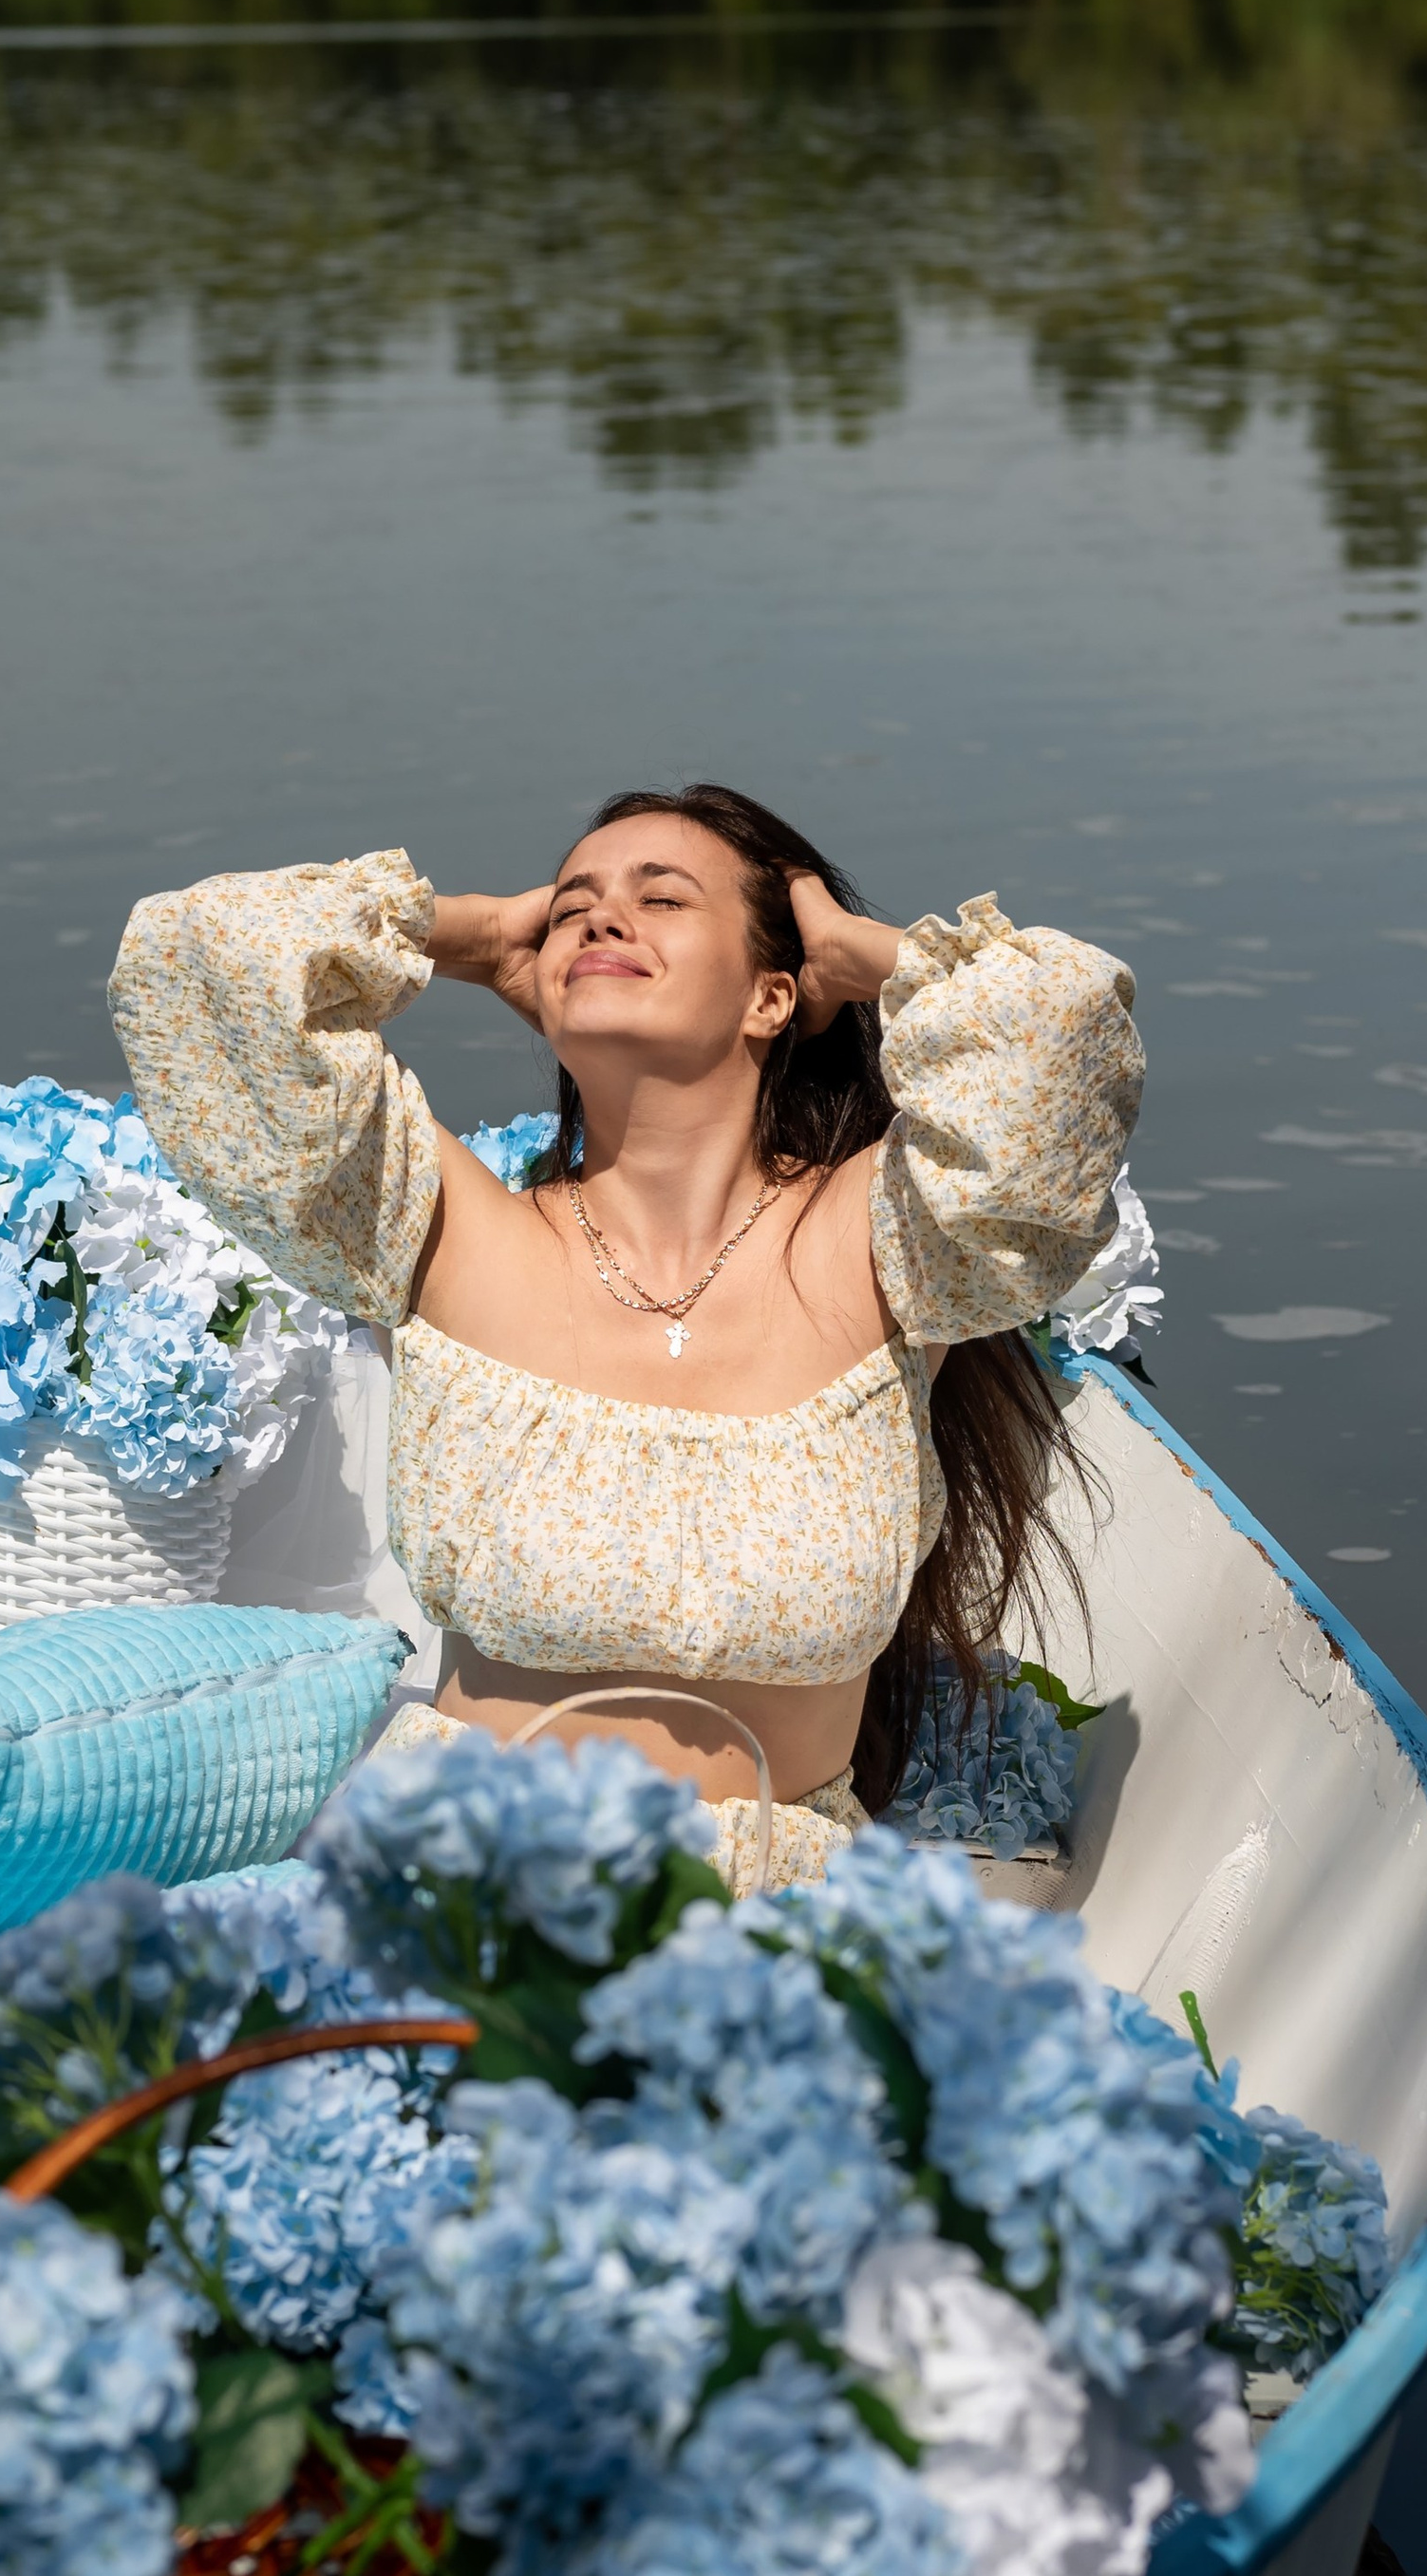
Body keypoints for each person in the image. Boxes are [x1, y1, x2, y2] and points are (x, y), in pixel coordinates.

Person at [109, 782, 1141, 1886]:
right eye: (571, 909)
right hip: (460, 1885)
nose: (601, 920)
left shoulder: (882, 1241)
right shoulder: (451, 1232)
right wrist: (460, 931)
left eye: (661, 900)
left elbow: (1063, 1032)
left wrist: (856, 953)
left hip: (764, 1922)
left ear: (771, 996)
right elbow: (195, 957)